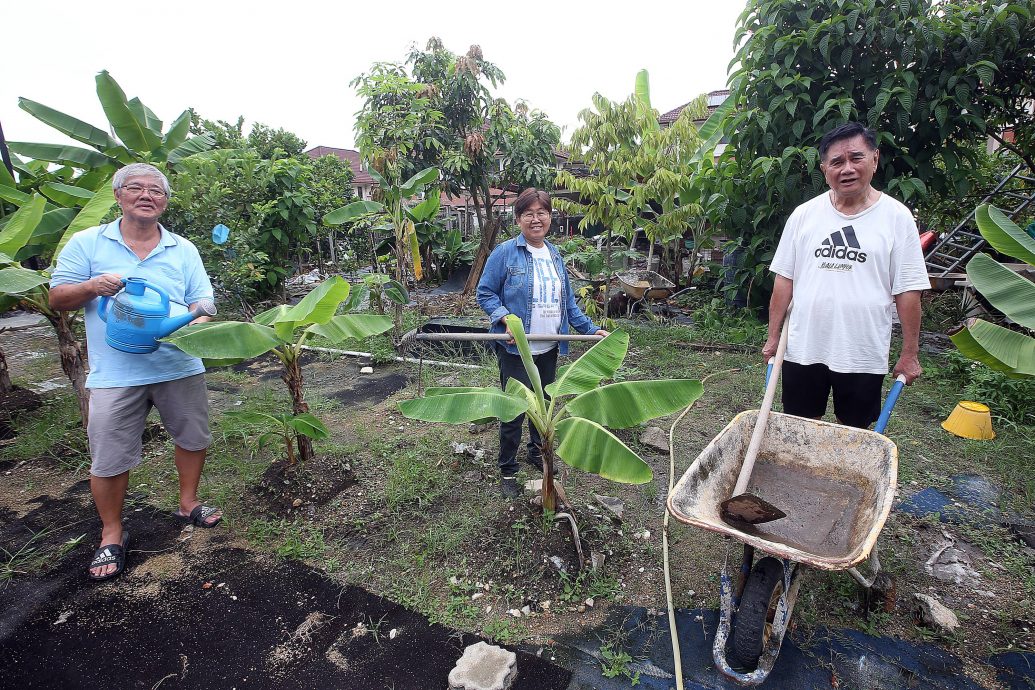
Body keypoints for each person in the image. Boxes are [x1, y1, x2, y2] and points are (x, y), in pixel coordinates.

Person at [50, 163, 222, 581]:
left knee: (193, 436)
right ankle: (111, 532)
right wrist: (93, 287)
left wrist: (191, 328)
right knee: (108, 455)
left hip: (177, 363)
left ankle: (188, 502)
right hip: (115, 373)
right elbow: (57, 297)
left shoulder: (182, 249)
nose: (147, 196)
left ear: (164, 201)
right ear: (118, 195)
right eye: (136, 189)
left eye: (156, 191)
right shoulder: (87, 243)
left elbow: (204, 301)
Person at [763, 122, 930, 428]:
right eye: (837, 162)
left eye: (856, 158)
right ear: (825, 168)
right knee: (799, 426)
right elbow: (784, 280)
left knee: (853, 432)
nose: (847, 169)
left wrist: (910, 353)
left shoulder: (897, 218)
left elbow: (908, 291)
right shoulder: (804, 215)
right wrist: (774, 337)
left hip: (862, 351)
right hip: (803, 347)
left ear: (875, 159)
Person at [477, 188, 609, 498]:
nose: (536, 219)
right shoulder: (505, 253)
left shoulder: (554, 254)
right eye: (529, 214)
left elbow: (568, 305)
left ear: (550, 217)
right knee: (514, 411)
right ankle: (508, 469)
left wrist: (591, 330)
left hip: (550, 347)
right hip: (516, 349)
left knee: (545, 406)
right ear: (519, 218)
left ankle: (537, 452)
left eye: (542, 213)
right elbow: (485, 292)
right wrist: (505, 318)